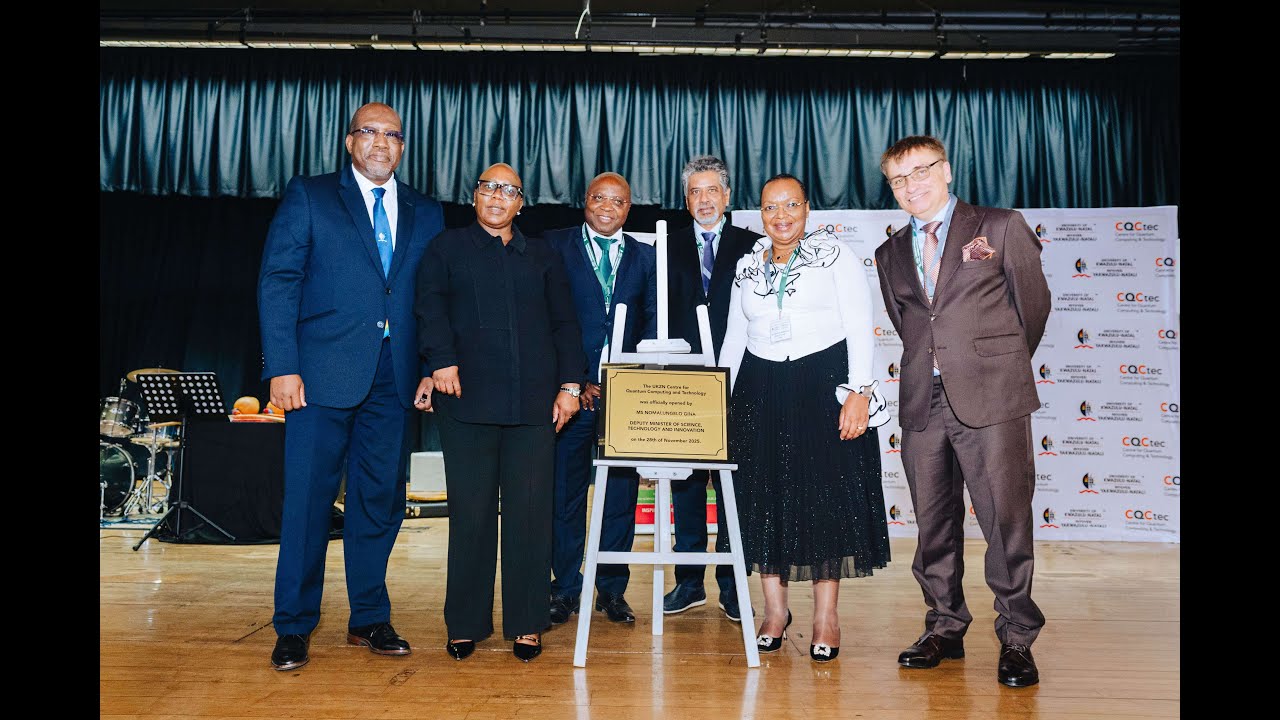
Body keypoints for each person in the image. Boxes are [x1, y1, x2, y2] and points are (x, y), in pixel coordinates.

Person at [258, 102, 444, 671]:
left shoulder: (426, 211)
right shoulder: (310, 196)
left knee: (379, 504)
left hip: (393, 382)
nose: (381, 143)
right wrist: (281, 367)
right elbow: (279, 280)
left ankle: (368, 617)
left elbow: (432, 299)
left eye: (392, 135)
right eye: (369, 132)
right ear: (349, 141)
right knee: (309, 505)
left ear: (403, 146)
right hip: (317, 379)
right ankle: (293, 625)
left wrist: (430, 366)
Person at [874, 135, 1050, 687]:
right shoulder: (889, 253)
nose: (912, 185)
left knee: (1006, 520)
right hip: (922, 405)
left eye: (921, 171)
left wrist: (991, 368)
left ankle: (1017, 636)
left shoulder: (998, 227)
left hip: (993, 398)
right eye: (899, 179)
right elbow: (912, 327)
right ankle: (944, 626)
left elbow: (1033, 310)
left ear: (946, 171)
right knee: (933, 524)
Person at [414, 163, 586, 663]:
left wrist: (571, 386)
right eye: (489, 188)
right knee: (470, 516)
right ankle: (465, 622)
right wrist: (439, 361)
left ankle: (527, 622)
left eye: (508, 190)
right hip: (464, 402)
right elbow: (429, 308)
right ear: (474, 198)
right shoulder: (445, 249)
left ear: (520, 203)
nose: (497, 197)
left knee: (531, 516)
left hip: (534, 407)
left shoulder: (544, 257)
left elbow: (565, 325)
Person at [719, 173, 891, 663]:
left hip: (823, 386)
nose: (781, 215)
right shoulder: (747, 265)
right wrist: (717, 401)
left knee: (824, 499)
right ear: (760, 213)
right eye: (771, 207)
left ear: (807, 208)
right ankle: (774, 611)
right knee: (764, 496)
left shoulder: (835, 255)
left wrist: (859, 391)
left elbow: (860, 324)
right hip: (758, 389)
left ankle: (825, 616)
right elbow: (734, 337)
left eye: (790, 204)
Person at [544, 173, 657, 625]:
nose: (608, 207)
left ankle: (612, 588)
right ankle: (565, 589)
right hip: (572, 396)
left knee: (620, 498)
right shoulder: (553, 246)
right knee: (564, 495)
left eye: (619, 201)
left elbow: (653, 322)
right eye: (599, 198)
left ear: (629, 208)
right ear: (584, 202)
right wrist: (574, 378)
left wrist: (629, 380)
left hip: (625, 398)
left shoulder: (647, 258)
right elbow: (544, 317)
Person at [662, 155, 762, 623]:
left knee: (732, 490)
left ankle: (732, 586)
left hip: (739, 381)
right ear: (687, 200)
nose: (703, 200)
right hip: (683, 384)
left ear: (726, 195)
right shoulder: (664, 246)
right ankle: (688, 583)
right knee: (686, 484)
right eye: (694, 192)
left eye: (711, 191)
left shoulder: (756, 245)